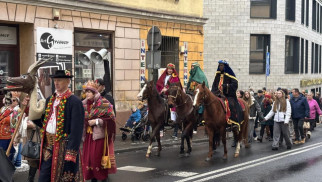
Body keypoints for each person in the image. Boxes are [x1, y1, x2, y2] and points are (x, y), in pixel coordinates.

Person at [32, 70, 84, 181]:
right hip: (48, 146)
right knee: (43, 177)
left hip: (64, 147)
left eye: (59, 80)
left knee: (63, 178)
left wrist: (71, 152)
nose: (56, 83)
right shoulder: (50, 100)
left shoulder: (74, 102)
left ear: (67, 81)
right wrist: (29, 109)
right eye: (55, 80)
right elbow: (43, 122)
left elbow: (76, 130)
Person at [82, 80, 116, 182]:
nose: (87, 94)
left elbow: (111, 118)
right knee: (89, 160)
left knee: (96, 159)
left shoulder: (104, 103)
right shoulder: (83, 104)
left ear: (94, 92)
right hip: (88, 137)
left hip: (99, 137)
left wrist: (97, 121)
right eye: (86, 91)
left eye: (89, 92)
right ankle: (93, 179)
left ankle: (102, 178)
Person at [14, 95, 40, 182]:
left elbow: (43, 124)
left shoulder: (38, 111)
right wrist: (17, 139)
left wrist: (34, 126)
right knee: (30, 159)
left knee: (33, 159)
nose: (26, 101)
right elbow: (20, 126)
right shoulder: (23, 112)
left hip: (35, 137)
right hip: (27, 138)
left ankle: (31, 179)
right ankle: (31, 178)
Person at [211, 60, 243, 129]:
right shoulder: (218, 75)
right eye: (219, 65)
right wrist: (213, 93)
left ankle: (232, 122)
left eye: (221, 65)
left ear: (225, 66)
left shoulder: (230, 75)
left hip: (228, 95)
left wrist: (226, 86)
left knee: (230, 104)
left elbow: (235, 85)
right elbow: (214, 85)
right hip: (218, 94)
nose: (220, 67)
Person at [156, 63, 182, 138]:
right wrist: (161, 90)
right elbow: (159, 84)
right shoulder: (163, 76)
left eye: (171, 69)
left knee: (174, 110)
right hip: (163, 95)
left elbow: (175, 87)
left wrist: (167, 89)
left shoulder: (175, 77)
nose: (170, 70)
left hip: (171, 96)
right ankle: (160, 129)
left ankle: (175, 131)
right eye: (168, 69)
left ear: (173, 70)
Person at [186, 62, 208, 133]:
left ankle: (197, 123)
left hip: (198, 95)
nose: (192, 68)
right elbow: (188, 85)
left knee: (198, 108)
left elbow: (203, 87)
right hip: (191, 93)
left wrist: (197, 84)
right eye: (191, 67)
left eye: (193, 67)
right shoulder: (191, 76)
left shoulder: (201, 76)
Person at [0, 91, 20, 161]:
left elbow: (17, 126)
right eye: (11, 99)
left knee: (9, 156)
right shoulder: (3, 109)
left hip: (10, 137)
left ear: (17, 102)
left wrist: (15, 138)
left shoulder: (17, 111)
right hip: (1, 136)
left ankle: (7, 170)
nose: (12, 101)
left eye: (14, 100)